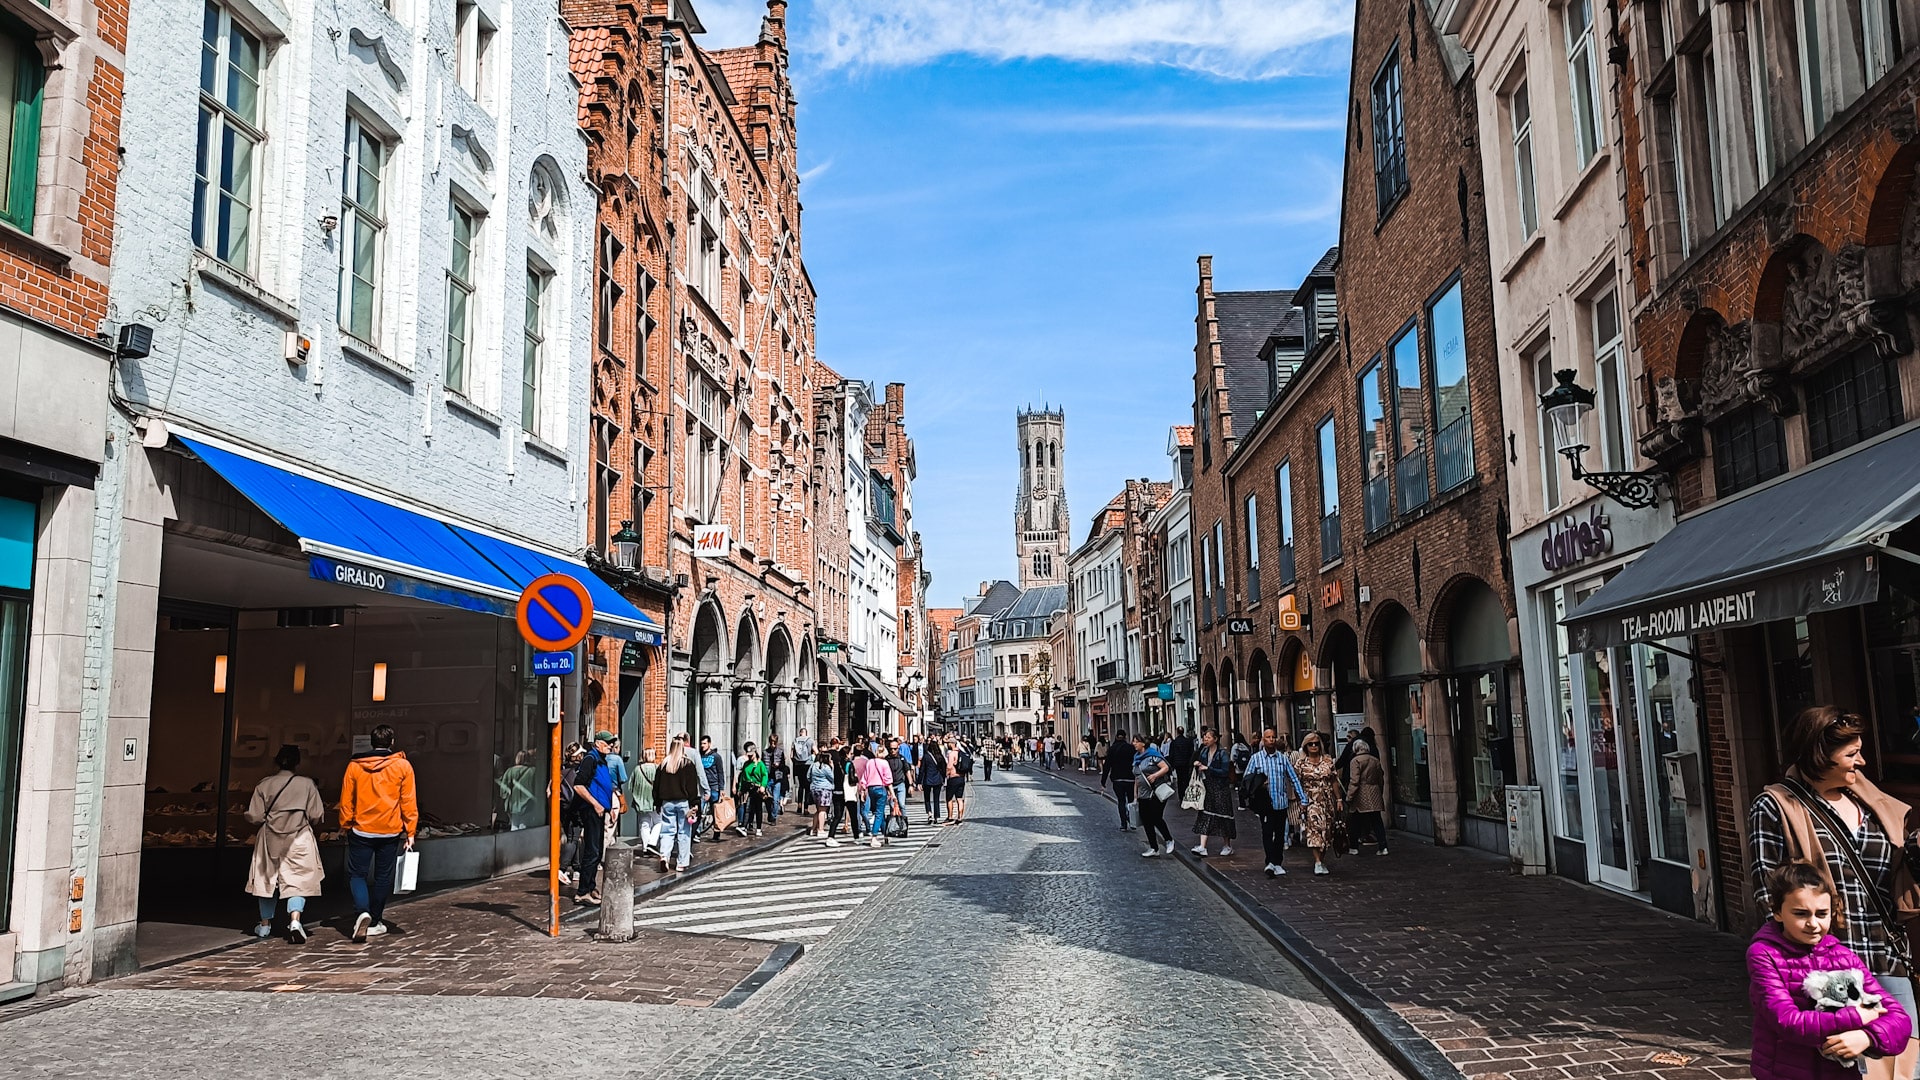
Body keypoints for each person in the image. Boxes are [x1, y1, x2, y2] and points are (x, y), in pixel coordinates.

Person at [1751, 705, 1920, 1080]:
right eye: (1850, 754)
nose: (1861, 761)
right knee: (1846, 1070)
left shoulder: (1872, 805)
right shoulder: (1778, 806)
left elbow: (1895, 879)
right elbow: (1769, 893)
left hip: (1885, 953)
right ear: (1818, 754)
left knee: (1902, 1068)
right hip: (1826, 967)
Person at [1749, 861, 1911, 1079]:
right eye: (1800, 913)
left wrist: (1867, 1037)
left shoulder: (1844, 957)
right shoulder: (1764, 954)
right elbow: (1786, 1020)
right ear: (1777, 912)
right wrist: (1856, 1017)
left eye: (1822, 913)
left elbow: (1899, 1018)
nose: (1813, 923)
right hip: (1784, 1073)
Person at [339, 724, 418, 943]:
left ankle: (362, 911)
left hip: (361, 829)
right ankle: (375, 920)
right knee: (383, 877)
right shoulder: (403, 766)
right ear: (392, 742)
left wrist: (346, 824)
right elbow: (408, 801)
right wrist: (410, 830)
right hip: (390, 830)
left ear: (371, 742)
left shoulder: (354, 766)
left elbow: (346, 800)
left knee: (357, 874)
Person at [245, 745, 326, 943]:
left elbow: (255, 816)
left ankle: (264, 926)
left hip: (270, 837)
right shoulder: (307, 784)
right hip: (299, 837)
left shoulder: (264, 784)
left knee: (267, 880)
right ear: (297, 763)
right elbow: (316, 815)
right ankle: (295, 920)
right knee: (297, 880)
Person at [1244, 728, 1309, 876]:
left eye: (1273, 737)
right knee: (1267, 832)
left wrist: (1302, 799)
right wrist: (1258, 784)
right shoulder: (1256, 758)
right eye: (1268, 737)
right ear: (1263, 740)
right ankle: (1270, 862)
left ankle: (1277, 862)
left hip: (1280, 802)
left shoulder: (1282, 758)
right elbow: (1247, 780)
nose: (1271, 740)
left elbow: (1293, 778)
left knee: (1280, 834)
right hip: (1265, 803)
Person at [570, 735, 616, 905]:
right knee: (592, 850)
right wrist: (596, 804)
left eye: (612, 744)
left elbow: (603, 785)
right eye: (607, 743)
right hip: (590, 810)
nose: (611, 746)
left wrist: (609, 808)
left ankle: (590, 887)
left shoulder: (601, 760)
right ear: (598, 743)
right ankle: (582, 892)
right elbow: (579, 785)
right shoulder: (591, 759)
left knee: (597, 851)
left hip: (599, 810)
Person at [1295, 732, 1343, 875]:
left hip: (1327, 800)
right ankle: (1317, 861)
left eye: (1316, 743)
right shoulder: (1301, 763)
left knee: (1327, 832)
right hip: (1310, 801)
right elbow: (1296, 782)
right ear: (1306, 746)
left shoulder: (1328, 761)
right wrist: (1300, 801)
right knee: (1314, 830)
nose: (1314, 746)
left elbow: (1334, 780)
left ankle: (1322, 859)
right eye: (1311, 744)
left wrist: (1339, 799)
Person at [653, 735, 701, 873]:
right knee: (684, 832)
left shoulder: (663, 765)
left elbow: (656, 786)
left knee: (667, 831)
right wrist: (695, 803)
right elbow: (692, 787)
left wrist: (657, 802)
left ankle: (664, 856)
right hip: (683, 802)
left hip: (667, 802)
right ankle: (681, 862)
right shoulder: (687, 764)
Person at [1189, 729, 1236, 858]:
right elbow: (1199, 764)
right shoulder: (1203, 752)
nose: (1205, 739)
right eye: (1205, 737)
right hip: (1208, 787)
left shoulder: (1222, 753)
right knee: (1205, 814)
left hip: (1221, 789)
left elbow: (1225, 771)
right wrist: (1197, 765)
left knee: (1223, 815)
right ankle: (1202, 846)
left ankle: (1227, 845)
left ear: (1215, 739)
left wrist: (1209, 768)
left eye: (1208, 737)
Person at [1131, 734, 1175, 857]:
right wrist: (1135, 794)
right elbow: (1137, 777)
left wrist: (1155, 775)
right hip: (1143, 794)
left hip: (1156, 791)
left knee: (1156, 817)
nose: (1134, 744)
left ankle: (1168, 839)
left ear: (1143, 743)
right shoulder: (1136, 758)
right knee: (1146, 821)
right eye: (1133, 742)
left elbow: (1166, 767)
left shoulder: (1152, 756)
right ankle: (1153, 848)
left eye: (1136, 741)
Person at [1344, 739, 1389, 856]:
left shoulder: (1355, 761)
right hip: (1374, 792)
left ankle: (1353, 847)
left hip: (1360, 793)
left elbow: (1354, 780)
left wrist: (1349, 796)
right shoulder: (1375, 760)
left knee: (1355, 821)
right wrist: (1379, 790)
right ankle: (1383, 846)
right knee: (1377, 821)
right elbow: (1381, 778)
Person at [855, 744, 894, 847]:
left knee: (878, 812)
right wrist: (893, 794)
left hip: (871, 789)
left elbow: (865, 777)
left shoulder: (870, 762)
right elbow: (888, 780)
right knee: (879, 813)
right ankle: (874, 837)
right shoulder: (885, 763)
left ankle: (885, 834)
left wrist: (863, 791)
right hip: (881, 788)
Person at [1100, 728, 1136, 831]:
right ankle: (1133, 822)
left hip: (1117, 779)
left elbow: (1107, 766)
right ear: (1125, 737)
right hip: (1130, 779)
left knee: (1121, 801)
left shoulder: (1112, 749)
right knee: (1131, 801)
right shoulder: (1131, 748)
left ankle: (1123, 824)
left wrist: (1103, 781)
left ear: (1116, 737)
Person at [496, 749, 541, 831]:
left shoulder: (509, 771)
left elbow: (503, 791)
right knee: (525, 827)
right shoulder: (533, 771)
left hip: (513, 805)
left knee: (514, 826)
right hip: (528, 805)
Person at [735, 742, 769, 837]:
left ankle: (758, 828)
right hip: (748, 788)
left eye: (751, 755)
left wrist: (763, 785)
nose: (750, 757)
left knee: (758, 808)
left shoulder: (760, 764)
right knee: (747, 806)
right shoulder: (746, 764)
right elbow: (742, 777)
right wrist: (740, 789)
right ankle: (744, 826)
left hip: (757, 788)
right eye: (748, 755)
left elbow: (765, 775)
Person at [632, 747, 661, 857]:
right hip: (654, 800)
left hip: (640, 800)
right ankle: (652, 843)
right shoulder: (657, 768)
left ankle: (645, 848)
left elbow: (631, 785)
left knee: (644, 823)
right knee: (658, 822)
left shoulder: (637, 769)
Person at [807, 749, 838, 844]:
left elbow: (808, 776)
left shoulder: (813, 765)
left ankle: (813, 829)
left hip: (814, 788)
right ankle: (820, 829)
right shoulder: (826, 767)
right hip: (824, 789)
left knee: (818, 809)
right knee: (823, 810)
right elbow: (832, 777)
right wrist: (832, 767)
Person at [917, 735, 947, 824]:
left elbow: (922, 770)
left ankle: (929, 813)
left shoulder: (926, 757)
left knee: (927, 798)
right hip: (937, 779)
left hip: (927, 779)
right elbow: (944, 769)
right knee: (936, 798)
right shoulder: (940, 757)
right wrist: (943, 778)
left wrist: (919, 782)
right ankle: (936, 817)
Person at [944, 735, 972, 826]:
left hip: (953, 777)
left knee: (949, 798)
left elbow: (949, 766)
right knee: (959, 798)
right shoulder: (961, 752)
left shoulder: (951, 754)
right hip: (961, 777)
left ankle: (950, 817)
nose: (947, 744)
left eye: (948, 743)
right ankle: (960, 817)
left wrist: (946, 774)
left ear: (952, 744)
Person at [1168, 727, 1197, 801]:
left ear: (1177, 732)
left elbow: (1171, 754)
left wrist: (1171, 765)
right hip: (1186, 763)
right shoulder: (1188, 741)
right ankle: (1187, 793)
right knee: (1186, 779)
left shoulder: (1174, 742)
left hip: (1178, 764)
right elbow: (1191, 753)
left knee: (1180, 779)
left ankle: (1181, 795)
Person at [766, 734, 787, 821]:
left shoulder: (780, 752)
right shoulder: (765, 752)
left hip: (777, 778)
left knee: (775, 799)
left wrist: (778, 765)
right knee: (768, 799)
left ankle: (773, 817)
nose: (773, 745)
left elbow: (783, 766)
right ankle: (770, 813)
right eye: (771, 743)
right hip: (768, 778)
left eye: (774, 743)